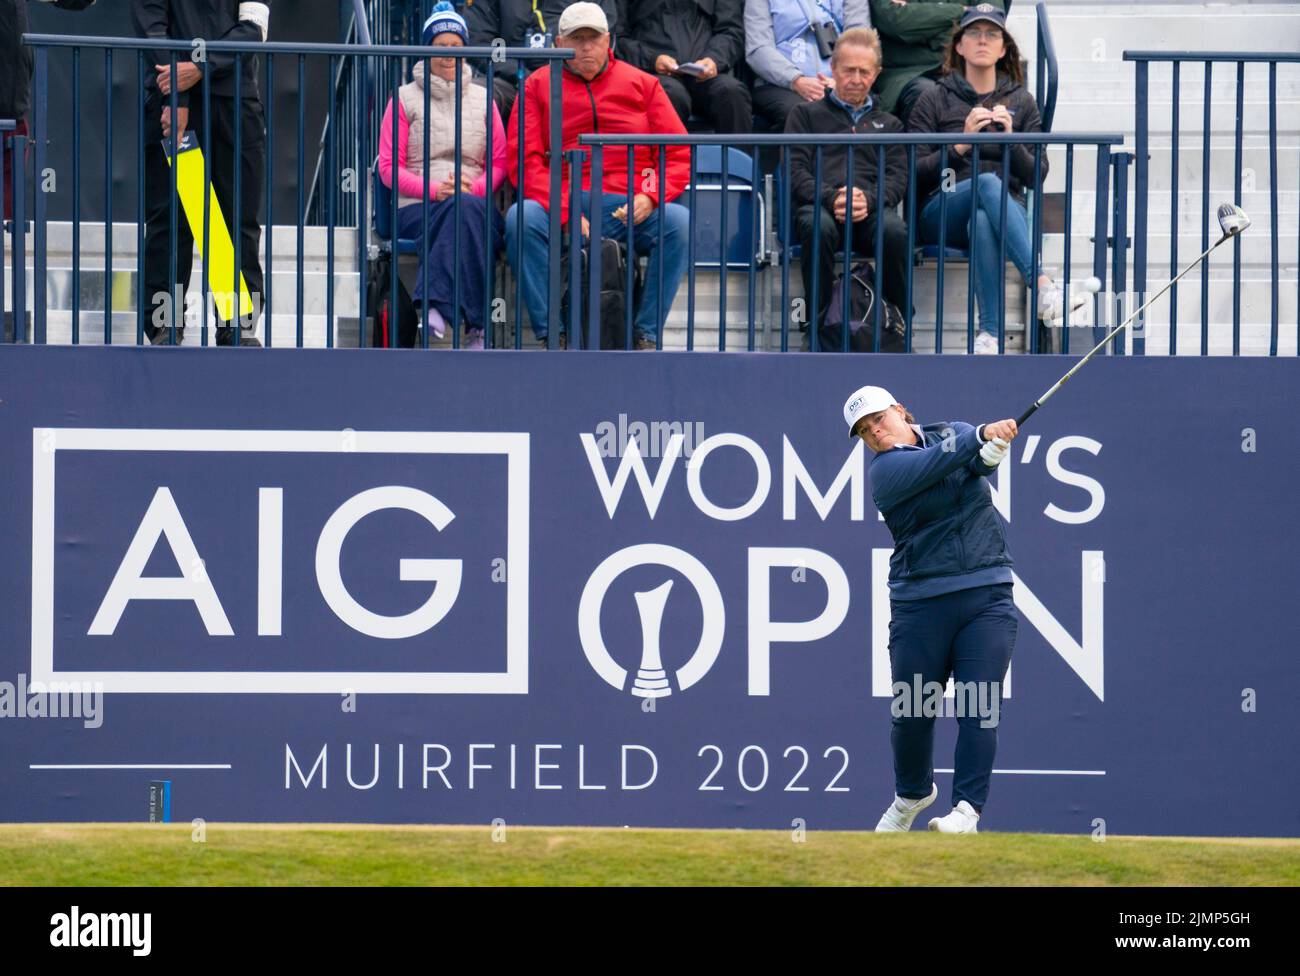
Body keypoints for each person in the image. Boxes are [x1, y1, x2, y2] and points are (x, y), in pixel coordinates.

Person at [842, 383, 1018, 834]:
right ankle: (913, 794)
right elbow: (940, 462)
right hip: (920, 605)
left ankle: (966, 813)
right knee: (912, 713)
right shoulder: (885, 473)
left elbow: (975, 462)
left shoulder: (950, 433)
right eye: (864, 431)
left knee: (980, 706)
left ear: (901, 410)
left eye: (879, 419)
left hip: (986, 593)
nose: (875, 432)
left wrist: (991, 450)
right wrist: (980, 437)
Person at [506, 2, 690, 350]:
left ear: (610, 41)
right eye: (577, 39)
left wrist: (650, 195)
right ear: (559, 44)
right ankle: (553, 334)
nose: (586, 47)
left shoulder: (644, 84)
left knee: (678, 223)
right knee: (522, 218)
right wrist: (564, 211)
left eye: (594, 38)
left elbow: (677, 153)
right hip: (565, 201)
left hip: (629, 205)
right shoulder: (536, 86)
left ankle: (645, 334)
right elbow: (525, 161)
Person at [907, 3, 1084, 355]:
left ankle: (989, 335)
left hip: (1005, 213)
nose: (982, 41)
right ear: (959, 46)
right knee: (987, 184)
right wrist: (960, 145)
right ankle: (1043, 285)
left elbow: (1037, 174)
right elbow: (913, 170)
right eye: (973, 33)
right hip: (942, 208)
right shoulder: (934, 98)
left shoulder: (1022, 101)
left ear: (1004, 48)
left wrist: (1010, 142)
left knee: (985, 219)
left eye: (992, 34)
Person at [134, 0, 271, 346]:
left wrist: (200, 66)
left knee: (234, 219)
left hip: (234, 101)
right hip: (172, 103)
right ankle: (165, 325)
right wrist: (177, 96)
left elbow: (254, 28)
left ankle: (236, 325)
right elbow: (150, 25)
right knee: (171, 219)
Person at [378, 2, 507, 349]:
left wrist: (475, 189)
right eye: (440, 47)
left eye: (455, 46)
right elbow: (389, 169)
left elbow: (499, 162)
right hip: (417, 203)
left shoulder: (485, 99)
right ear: (427, 50)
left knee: (465, 211)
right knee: (463, 215)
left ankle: (435, 305)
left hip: (472, 198)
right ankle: (477, 328)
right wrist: (435, 190)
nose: (449, 54)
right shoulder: (402, 99)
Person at [785, 27, 909, 345]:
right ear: (833, 69)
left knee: (894, 231)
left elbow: (897, 178)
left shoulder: (891, 125)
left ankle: (898, 323)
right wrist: (832, 197)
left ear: (877, 73)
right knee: (817, 226)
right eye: (848, 70)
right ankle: (819, 327)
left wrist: (868, 199)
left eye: (864, 71)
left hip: (870, 211)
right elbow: (796, 172)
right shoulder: (804, 115)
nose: (856, 78)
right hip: (820, 208)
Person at [463, 0, 623, 118]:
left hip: (577, 78)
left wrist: (567, 75)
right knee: (475, 96)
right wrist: (524, 76)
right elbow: (482, 42)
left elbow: (602, 35)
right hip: (514, 82)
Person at [613, 0, 751, 133]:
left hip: (704, 72)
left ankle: (738, 157)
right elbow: (617, 38)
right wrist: (652, 60)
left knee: (732, 92)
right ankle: (669, 157)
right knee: (669, 94)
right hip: (654, 72)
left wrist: (714, 59)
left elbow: (731, 30)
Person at [869, 0, 1004, 127]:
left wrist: (921, 29)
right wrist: (964, 11)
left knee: (1000, 99)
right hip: (907, 74)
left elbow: (992, 18)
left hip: (966, 69)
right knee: (927, 95)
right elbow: (896, 21)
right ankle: (928, 152)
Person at [744, 0, 871, 131]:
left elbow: (861, 41)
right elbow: (758, 49)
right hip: (781, 84)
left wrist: (841, 80)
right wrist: (796, 80)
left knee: (864, 107)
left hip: (840, 82)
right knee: (800, 112)